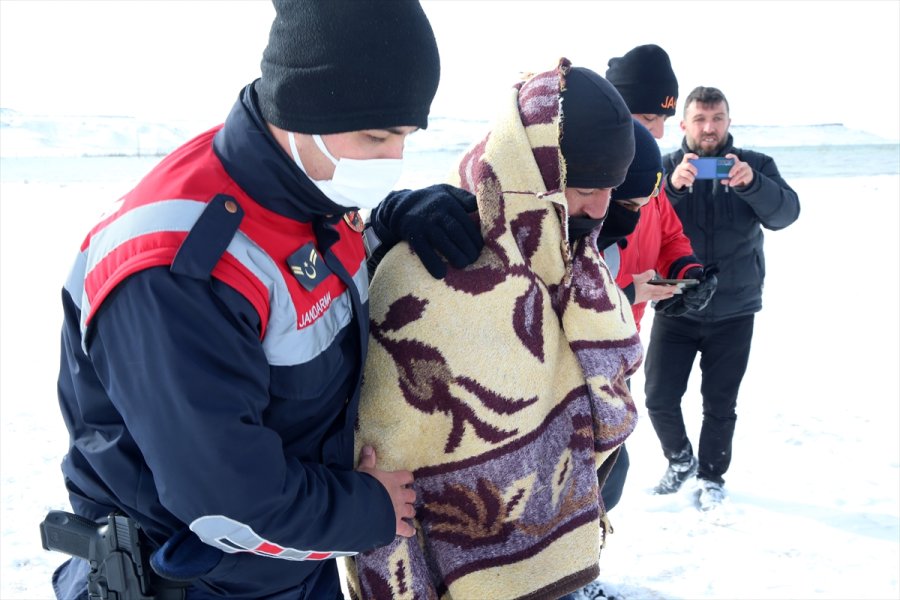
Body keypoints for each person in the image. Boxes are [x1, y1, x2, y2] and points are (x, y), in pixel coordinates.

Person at [48, 2, 484, 599]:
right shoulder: (178, 273)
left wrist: (393, 219)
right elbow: (225, 499)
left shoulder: (305, 186)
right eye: (377, 137)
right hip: (194, 572)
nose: (392, 160)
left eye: (405, 138)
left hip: (294, 553)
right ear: (302, 110)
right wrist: (369, 511)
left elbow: (319, 268)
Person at [346, 60, 643, 600]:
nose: (600, 208)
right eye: (588, 187)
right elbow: (383, 439)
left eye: (613, 190)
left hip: (561, 547)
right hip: (453, 564)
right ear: (541, 172)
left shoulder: (575, 256)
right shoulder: (432, 259)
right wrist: (384, 225)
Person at [645, 85, 800, 509]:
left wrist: (753, 185)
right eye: (700, 119)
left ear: (729, 122)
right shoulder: (661, 169)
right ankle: (680, 461)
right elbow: (638, 229)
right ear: (684, 124)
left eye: (717, 119)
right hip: (677, 304)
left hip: (735, 308)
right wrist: (671, 191)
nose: (709, 128)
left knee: (720, 404)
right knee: (659, 397)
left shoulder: (757, 166)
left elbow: (786, 214)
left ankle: (712, 478)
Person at [594, 45, 715, 516]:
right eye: (648, 117)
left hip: (626, 341)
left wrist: (688, 274)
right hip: (579, 351)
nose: (660, 133)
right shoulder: (581, 181)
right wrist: (627, 293)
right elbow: (548, 291)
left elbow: (670, 235)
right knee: (593, 472)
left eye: (665, 119)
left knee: (609, 471)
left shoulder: (650, 177)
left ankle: (579, 572)